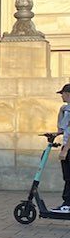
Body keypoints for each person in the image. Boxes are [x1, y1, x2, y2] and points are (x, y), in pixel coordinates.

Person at [55, 82, 70, 214]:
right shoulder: (67, 110)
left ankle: (67, 204)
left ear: (68, 94)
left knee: (69, 177)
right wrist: (61, 110)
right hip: (66, 146)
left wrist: (65, 150)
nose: (61, 96)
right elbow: (61, 128)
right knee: (67, 177)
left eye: (62, 94)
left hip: (69, 148)